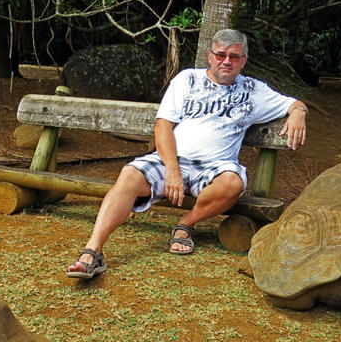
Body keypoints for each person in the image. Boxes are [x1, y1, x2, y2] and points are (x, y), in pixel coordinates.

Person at [66, 28, 308, 279]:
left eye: (234, 56)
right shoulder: (187, 79)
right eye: (221, 54)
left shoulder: (254, 91)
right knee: (128, 174)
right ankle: (92, 252)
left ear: (244, 60)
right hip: (171, 160)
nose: (227, 61)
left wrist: (299, 112)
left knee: (233, 183)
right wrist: (172, 169)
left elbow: (294, 103)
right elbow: (163, 126)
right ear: (210, 56)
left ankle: (185, 224)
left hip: (215, 167)